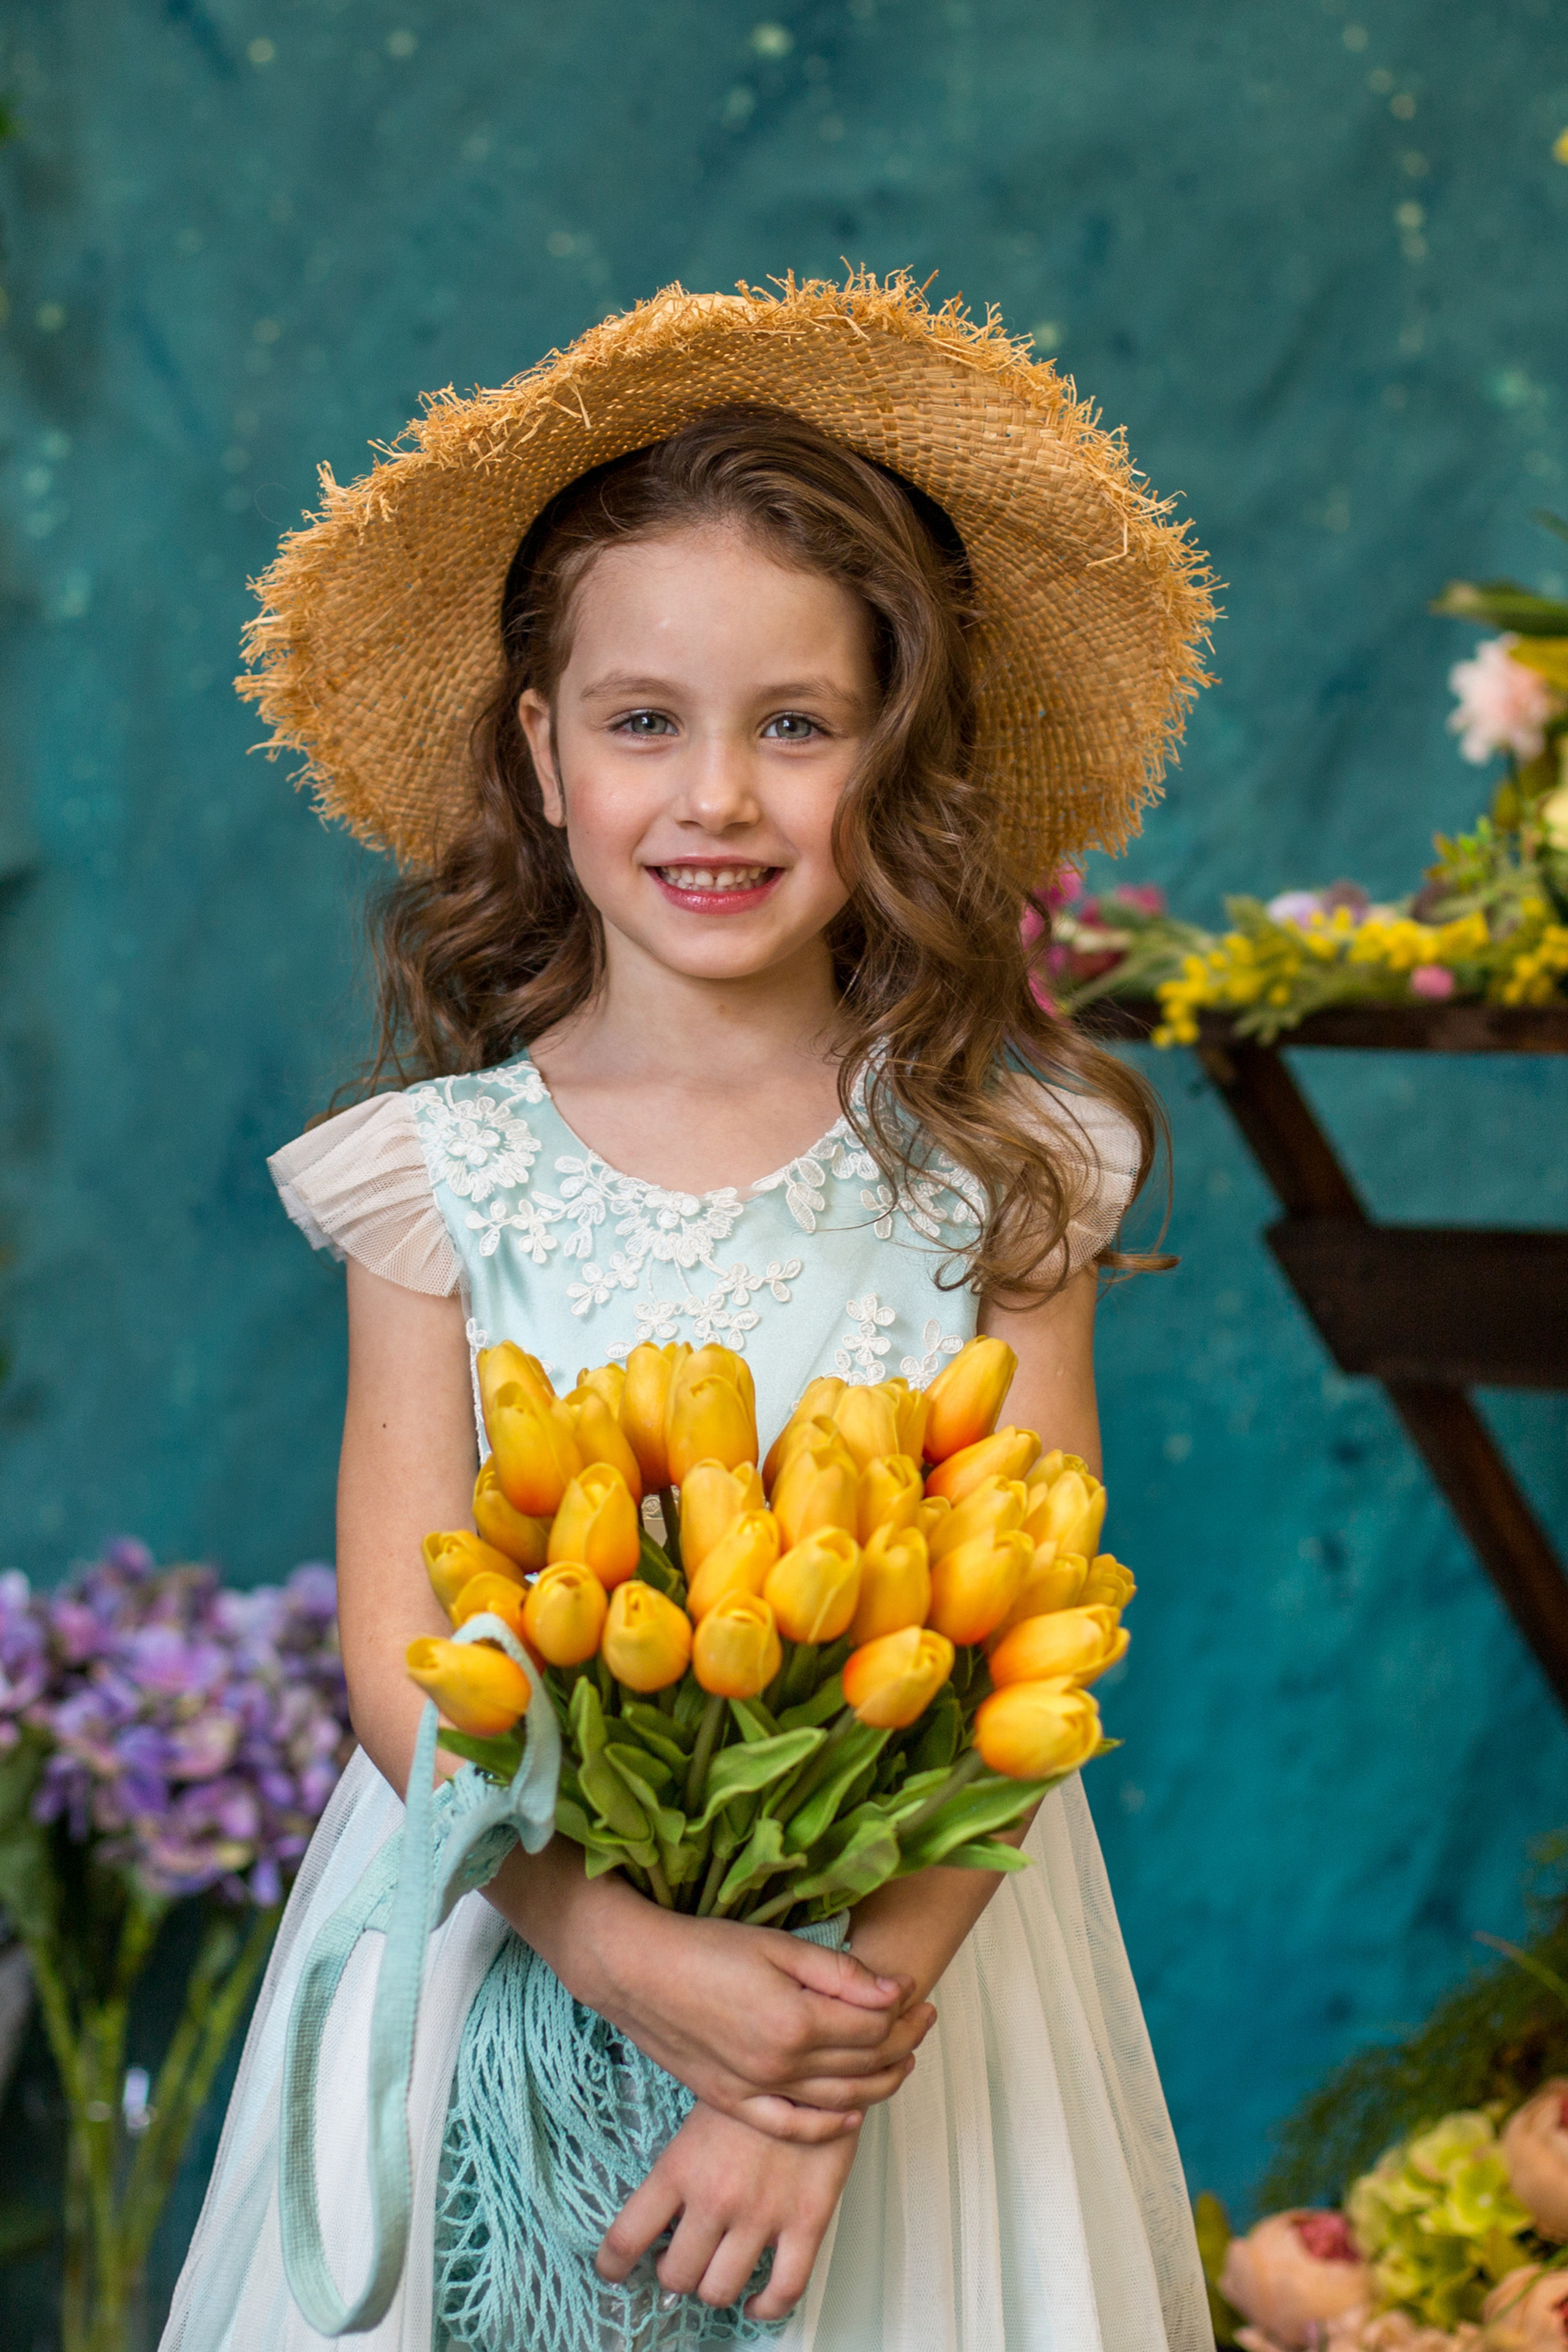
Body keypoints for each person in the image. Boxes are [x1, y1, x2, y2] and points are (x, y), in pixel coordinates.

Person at [162, 274, 1216, 2352]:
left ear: (894, 757)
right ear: (545, 757)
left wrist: (817, 2068)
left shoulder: (997, 1174)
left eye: (796, 726)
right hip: (496, 1952)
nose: (716, 797)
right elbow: (403, 1661)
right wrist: (616, 1948)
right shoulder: (440, 1179)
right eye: (646, 722)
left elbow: (1039, 1637)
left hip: (908, 1991)